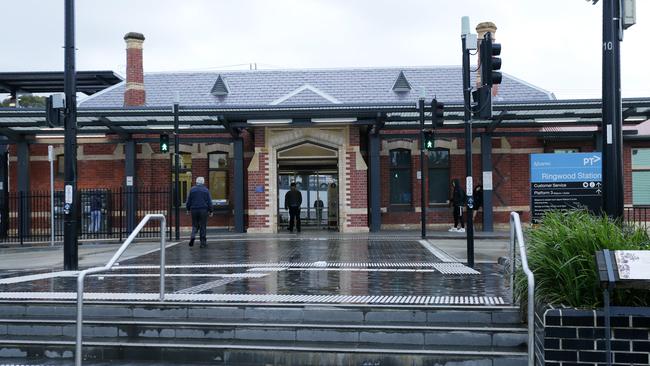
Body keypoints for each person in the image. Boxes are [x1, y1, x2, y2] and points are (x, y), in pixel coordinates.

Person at [186, 176, 213, 248]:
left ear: (196, 182)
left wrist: (188, 209)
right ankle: (202, 243)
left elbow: (188, 201)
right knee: (202, 226)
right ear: (203, 182)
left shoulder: (192, 190)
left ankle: (192, 236)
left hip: (194, 210)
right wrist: (211, 211)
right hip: (203, 210)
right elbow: (209, 202)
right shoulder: (206, 190)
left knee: (195, 225)